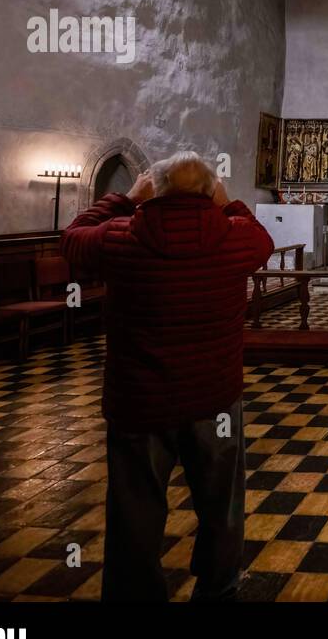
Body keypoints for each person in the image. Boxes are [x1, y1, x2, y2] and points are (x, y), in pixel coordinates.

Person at [62, 151, 274, 601]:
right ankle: (219, 589)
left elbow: (72, 238)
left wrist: (122, 199)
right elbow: (262, 240)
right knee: (222, 508)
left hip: (140, 403)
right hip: (212, 398)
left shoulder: (121, 237)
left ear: (152, 189)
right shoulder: (233, 237)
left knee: (134, 512)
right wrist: (227, 202)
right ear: (209, 190)